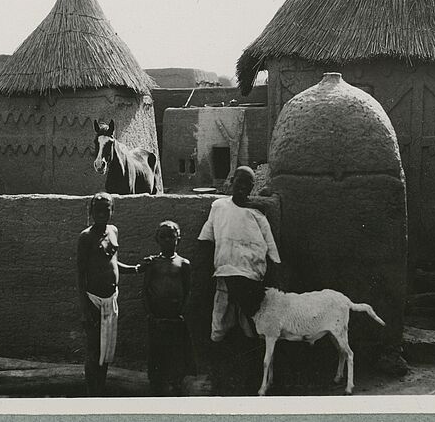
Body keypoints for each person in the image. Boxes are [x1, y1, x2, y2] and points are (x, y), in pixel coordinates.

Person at [197, 166, 282, 342]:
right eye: (239, 181)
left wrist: (274, 275)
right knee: (221, 321)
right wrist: (205, 270)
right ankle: (222, 357)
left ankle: (249, 358)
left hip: (251, 274)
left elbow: (272, 249)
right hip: (224, 271)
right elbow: (206, 239)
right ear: (231, 181)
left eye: (247, 184)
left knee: (250, 323)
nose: (242, 186)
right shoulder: (219, 206)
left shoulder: (257, 214)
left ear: (252, 187)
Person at [76, 192, 141, 396]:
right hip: (94, 301)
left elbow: (113, 262)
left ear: (112, 210)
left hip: (111, 300)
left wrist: (136, 268)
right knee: (94, 350)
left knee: (106, 352)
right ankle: (91, 394)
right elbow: (80, 273)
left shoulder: (113, 231)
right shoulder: (86, 237)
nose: (102, 213)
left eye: (106, 209)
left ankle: (100, 391)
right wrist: (85, 307)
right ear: (91, 211)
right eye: (97, 209)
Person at [141, 221, 196, 396]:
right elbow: (145, 290)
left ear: (178, 238)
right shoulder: (153, 263)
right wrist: (150, 314)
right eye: (163, 237)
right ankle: (156, 384)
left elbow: (187, 290)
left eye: (171, 236)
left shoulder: (183, 263)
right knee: (157, 351)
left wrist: (181, 312)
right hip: (157, 316)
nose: (167, 240)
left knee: (176, 351)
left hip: (175, 317)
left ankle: (176, 383)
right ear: (157, 239)